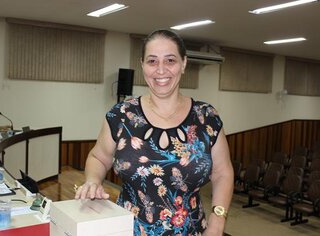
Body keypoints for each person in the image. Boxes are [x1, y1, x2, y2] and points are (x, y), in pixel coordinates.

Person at [75, 29, 234, 236]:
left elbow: (222, 173)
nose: (161, 70)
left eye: (170, 60)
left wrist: (217, 222)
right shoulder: (122, 115)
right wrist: (93, 180)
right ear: (142, 65)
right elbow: (98, 157)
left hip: (191, 230)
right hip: (128, 229)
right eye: (152, 61)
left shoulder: (206, 117)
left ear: (184, 63)